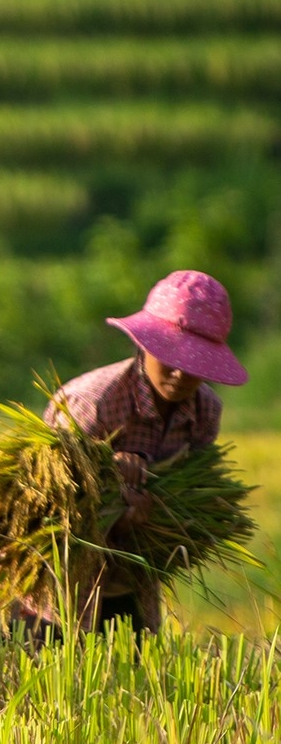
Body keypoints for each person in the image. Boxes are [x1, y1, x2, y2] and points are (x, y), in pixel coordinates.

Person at [38, 269, 249, 635]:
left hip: (133, 576)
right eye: (172, 358)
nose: (181, 374)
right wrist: (108, 480)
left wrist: (151, 507)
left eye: (195, 364)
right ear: (145, 345)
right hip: (61, 584)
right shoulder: (94, 401)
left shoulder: (205, 412)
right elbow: (48, 502)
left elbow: (190, 497)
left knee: (131, 673)